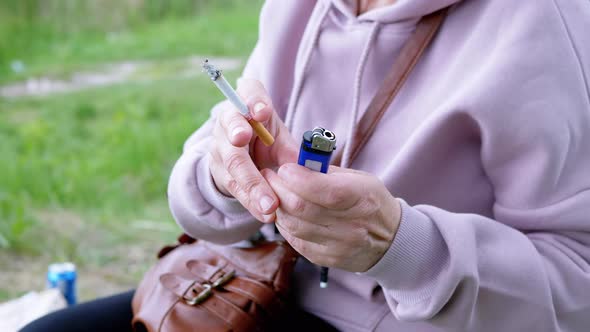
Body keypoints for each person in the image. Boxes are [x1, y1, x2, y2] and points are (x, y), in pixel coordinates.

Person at [22, 0, 590, 331]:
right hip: (260, 288)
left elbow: (576, 285)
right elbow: (206, 180)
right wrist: (225, 176)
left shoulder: (546, 25)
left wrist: (400, 247)